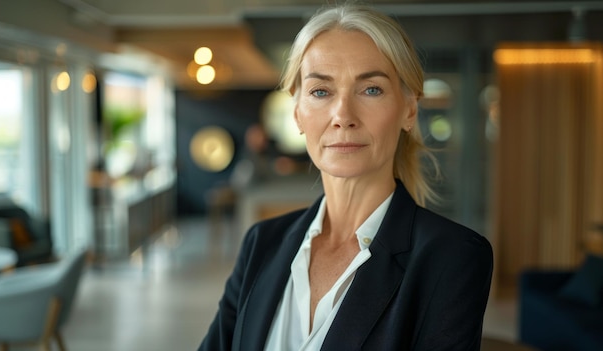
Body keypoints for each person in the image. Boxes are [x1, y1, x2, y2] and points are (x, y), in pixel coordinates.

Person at [198, 3, 493, 350]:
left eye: (371, 89)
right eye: (321, 91)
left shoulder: (452, 258)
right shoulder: (261, 243)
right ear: (297, 114)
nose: (343, 116)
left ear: (409, 110)